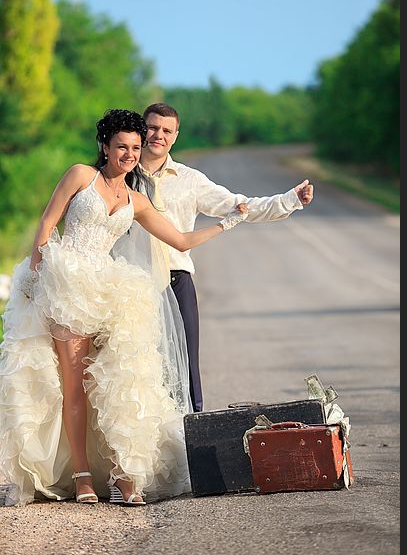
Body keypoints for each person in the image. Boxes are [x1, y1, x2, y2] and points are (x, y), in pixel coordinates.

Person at [0, 109, 248, 507]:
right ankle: (82, 475)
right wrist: (39, 268)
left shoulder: (137, 199)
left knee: (117, 380)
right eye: (122, 146)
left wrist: (229, 222)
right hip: (69, 286)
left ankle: (122, 472)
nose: (130, 154)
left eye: (135, 147)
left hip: (111, 288)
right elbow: (48, 222)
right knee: (75, 385)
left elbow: (180, 241)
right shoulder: (81, 175)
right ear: (106, 146)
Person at [114, 102, 314, 412]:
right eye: (153, 127)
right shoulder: (120, 172)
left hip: (174, 279)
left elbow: (241, 206)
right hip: (127, 283)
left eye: (167, 130)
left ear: (176, 136)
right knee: (129, 363)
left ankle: (192, 436)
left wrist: (290, 200)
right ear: (142, 128)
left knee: (186, 362)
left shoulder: (190, 179)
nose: (158, 135)